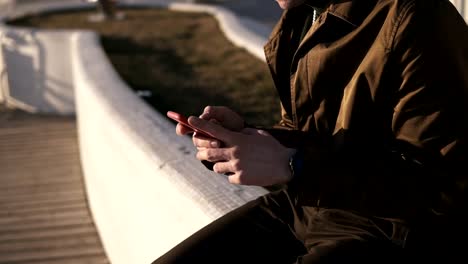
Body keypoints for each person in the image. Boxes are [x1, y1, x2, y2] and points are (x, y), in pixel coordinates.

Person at [153, 0, 468, 263]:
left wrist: (294, 165)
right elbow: (310, 131)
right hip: (305, 207)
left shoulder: (416, 16)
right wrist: (249, 139)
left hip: (389, 231)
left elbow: (441, 186)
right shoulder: (302, 16)